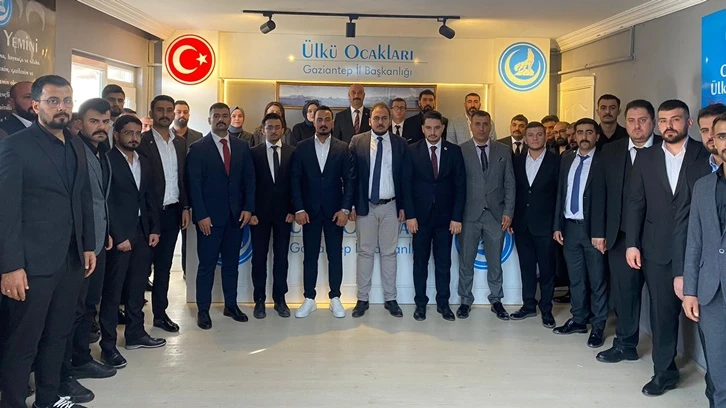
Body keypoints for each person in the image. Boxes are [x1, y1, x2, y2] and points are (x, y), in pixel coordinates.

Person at [0, 74, 97, 408]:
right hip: (31, 265)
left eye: (67, 101)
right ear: (35, 105)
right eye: (53, 101)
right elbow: (6, 212)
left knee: (58, 335)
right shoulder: (15, 147)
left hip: (70, 260)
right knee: (23, 341)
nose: (62, 107)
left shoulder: (75, 144)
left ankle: (48, 398)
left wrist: (87, 244)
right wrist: (10, 267)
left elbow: (82, 198)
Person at [625, 99, 708, 396]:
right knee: (661, 315)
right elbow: (635, 202)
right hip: (656, 249)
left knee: (707, 317)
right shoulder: (646, 157)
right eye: (663, 120)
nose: (668, 125)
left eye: (675, 119)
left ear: (688, 123)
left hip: (699, 251)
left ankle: (716, 380)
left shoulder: (704, 154)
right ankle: (664, 372)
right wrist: (632, 243)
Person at [59, 98, 117, 404]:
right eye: (95, 121)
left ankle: (81, 358)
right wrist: (85, 242)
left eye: (106, 121)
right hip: (79, 247)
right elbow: (75, 204)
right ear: (80, 123)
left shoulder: (101, 152)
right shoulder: (73, 151)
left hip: (98, 241)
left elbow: (99, 200)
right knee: (72, 310)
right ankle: (62, 371)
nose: (101, 127)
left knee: (89, 305)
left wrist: (104, 233)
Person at [594, 100, 660, 365]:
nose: (637, 126)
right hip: (619, 236)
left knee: (660, 298)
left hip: (656, 237)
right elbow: (599, 192)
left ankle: (663, 357)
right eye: (631, 121)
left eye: (642, 120)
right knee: (624, 294)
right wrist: (598, 231)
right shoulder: (611, 150)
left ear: (653, 122)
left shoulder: (666, 149)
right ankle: (625, 345)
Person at [100, 115, 165, 370]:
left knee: (138, 287)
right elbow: (106, 201)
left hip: (142, 232)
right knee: (113, 292)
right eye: (129, 133)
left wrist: (154, 229)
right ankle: (108, 346)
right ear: (116, 135)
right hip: (119, 236)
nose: (134, 137)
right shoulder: (106, 160)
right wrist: (118, 235)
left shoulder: (143, 161)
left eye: (138, 133)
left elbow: (149, 197)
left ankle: (135, 334)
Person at [672, 103, 726, 407]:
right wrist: (690, 291)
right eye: (721, 136)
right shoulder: (704, 187)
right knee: (718, 375)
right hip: (711, 292)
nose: (724, 142)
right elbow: (695, 242)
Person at [186, 102, 255, 330]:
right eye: (216, 116)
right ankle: (203, 310)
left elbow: (249, 180)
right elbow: (194, 185)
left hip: (236, 217)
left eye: (225, 115)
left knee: (231, 265)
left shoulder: (242, 146)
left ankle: (231, 305)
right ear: (209, 120)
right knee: (206, 266)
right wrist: (201, 215)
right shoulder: (197, 148)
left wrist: (248, 208)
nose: (221, 119)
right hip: (209, 220)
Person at [291, 105, 355, 318]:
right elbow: (295, 180)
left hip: (335, 212)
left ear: (332, 123)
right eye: (320, 119)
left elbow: (350, 180)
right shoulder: (301, 147)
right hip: (308, 212)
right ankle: (309, 298)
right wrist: (299, 208)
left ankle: (335, 297)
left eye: (327, 119)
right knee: (309, 257)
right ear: (314, 121)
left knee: (335, 256)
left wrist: (345, 209)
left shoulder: (342, 147)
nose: (323, 123)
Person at [402, 110, 465, 321]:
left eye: (437, 128)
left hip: (446, 219)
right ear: (422, 129)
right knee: (420, 264)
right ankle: (420, 304)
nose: (432, 132)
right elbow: (406, 185)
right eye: (428, 128)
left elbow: (460, 186)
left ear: (443, 128)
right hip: (419, 219)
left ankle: (443, 304)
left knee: (444, 263)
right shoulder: (412, 150)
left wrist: (457, 217)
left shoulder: (454, 151)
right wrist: (410, 215)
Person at [552, 118, 607, 349]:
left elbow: (608, 199)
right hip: (569, 227)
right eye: (580, 132)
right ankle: (578, 319)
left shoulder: (605, 160)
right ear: (574, 135)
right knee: (576, 279)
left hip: (593, 230)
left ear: (597, 136)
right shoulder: (566, 159)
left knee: (597, 280)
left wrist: (601, 231)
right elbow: (561, 193)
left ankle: (599, 325)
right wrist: (557, 225)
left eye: (589, 132)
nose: (584, 137)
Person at [349, 102, 407, 318]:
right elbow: (351, 177)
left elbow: (406, 178)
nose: (380, 122)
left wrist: (404, 206)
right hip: (365, 206)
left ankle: (391, 299)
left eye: (384, 118)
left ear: (390, 120)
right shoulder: (357, 141)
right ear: (369, 120)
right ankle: (362, 299)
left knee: (389, 253)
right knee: (365, 252)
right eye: (376, 118)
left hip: (391, 206)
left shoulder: (401, 144)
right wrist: (351, 204)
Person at [137, 95, 190, 333]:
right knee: (141, 268)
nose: (165, 114)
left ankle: (160, 314)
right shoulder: (142, 141)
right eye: (161, 110)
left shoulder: (179, 142)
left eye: (169, 110)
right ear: (152, 113)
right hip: (148, 214)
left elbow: (182, 179)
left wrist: (185, 207)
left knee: (164, 266)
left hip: (173, 211)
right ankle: (135, 319)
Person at [457, 110, 514, 320]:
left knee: (495, 261)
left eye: (485, 124)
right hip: (469, 215)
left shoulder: (503, 150)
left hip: (495, 215)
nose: (482, 128)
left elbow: (510, 183)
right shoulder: (461, 150)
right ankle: (465, 300)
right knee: (466, 261)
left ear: (490, 126)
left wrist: (508, 212)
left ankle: (496, 300)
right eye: (477, 124)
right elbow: (456, 185)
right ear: (471, 126)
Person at [509, 121, 559, 328]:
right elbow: (513, 191)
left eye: (539, 134)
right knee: (526, 267)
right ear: (525, 138)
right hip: (522, 223)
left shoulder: (556, 161)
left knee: (547, 269)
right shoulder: (517, 161)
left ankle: (546, 309)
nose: (535, 138)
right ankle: (529, 305)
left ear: (545, 137)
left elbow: (560, 194)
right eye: (531, 135)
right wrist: (511, 217)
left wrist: (557, 225)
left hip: (546, 225)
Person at [249, 113, 295, 319]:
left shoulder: (292, 152)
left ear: (283, 130)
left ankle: (280, 299)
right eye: (270, 127)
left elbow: (296, 183)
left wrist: (293, 209)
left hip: (284, 215)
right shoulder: (253, 153)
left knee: (281, 258)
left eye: (277, 127)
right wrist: (250, 211)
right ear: (263, 130)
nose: (274, 131)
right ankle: (259, 300)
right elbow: (248, 184)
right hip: (259, 216)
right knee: (259, 258)